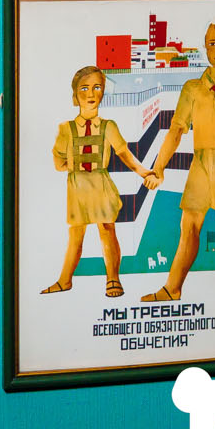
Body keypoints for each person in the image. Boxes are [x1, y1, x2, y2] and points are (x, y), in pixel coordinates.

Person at [144, 24, 215, 302]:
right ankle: (173, 288)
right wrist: (159, 167)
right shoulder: (193, 89)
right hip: (200, 164)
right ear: (205, 46)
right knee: (189, 226)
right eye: (213, 43)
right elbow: (176, 129)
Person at [44, 66, 157, 299]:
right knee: (76, 235)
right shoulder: (65, 129)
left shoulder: (108, 126)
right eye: (84, 88)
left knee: (107, 230)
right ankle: (64, 280)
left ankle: (113, 279)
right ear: (75, 94)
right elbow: (58, 162)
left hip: (101, 185)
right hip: (77, 188)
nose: (91, 93)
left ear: (103, 92)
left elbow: (125, 153)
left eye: (97, 87)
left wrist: (145, 172)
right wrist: (75, 166)